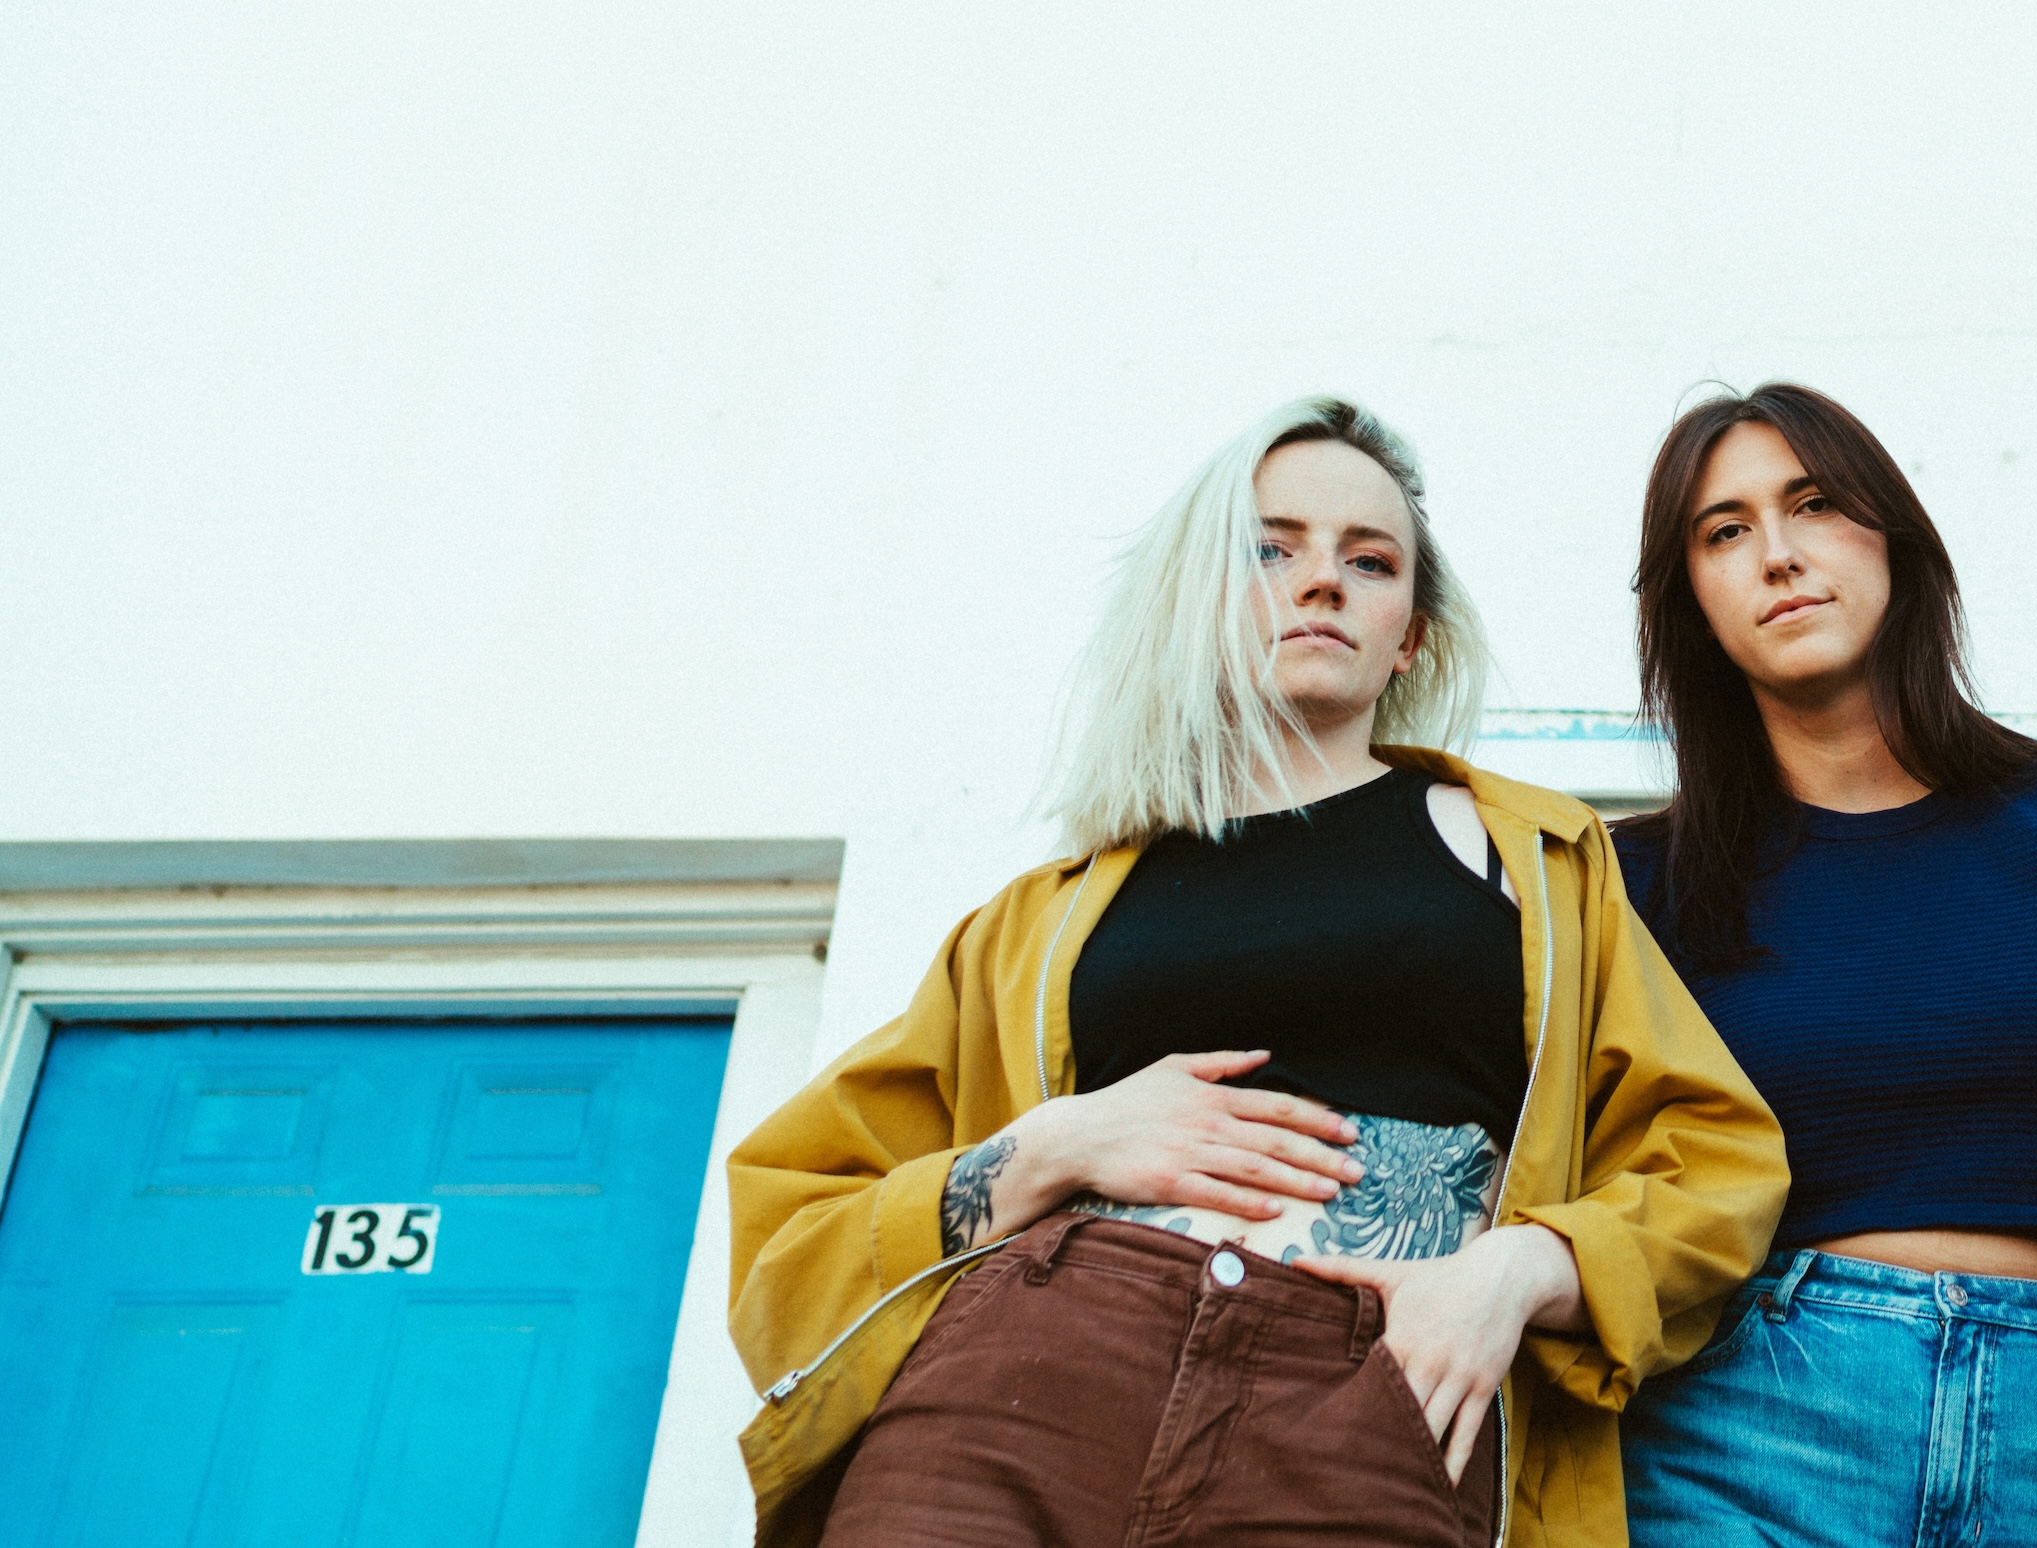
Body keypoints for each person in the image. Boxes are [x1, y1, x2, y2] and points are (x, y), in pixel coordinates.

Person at [725, 396, 1787, 1548]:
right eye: (1270, 549)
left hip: (1376, 1405)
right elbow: (797, 1217)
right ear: (1200, 598)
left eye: (1369, 561)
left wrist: (1524, 1269)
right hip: (1023, 1385)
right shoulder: (1043, 917)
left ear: (1410, 636)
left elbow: (1716, 1159)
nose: (1322, 580)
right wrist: (1057, 1144)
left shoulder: (1534, 862)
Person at [1608, 382, 2037, 1548]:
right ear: (1693, 600)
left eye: (1813, 504)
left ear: (1894, 536)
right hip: (1751, 1440)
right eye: (1724, 532)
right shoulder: (1630, 885)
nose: (1777, 554)